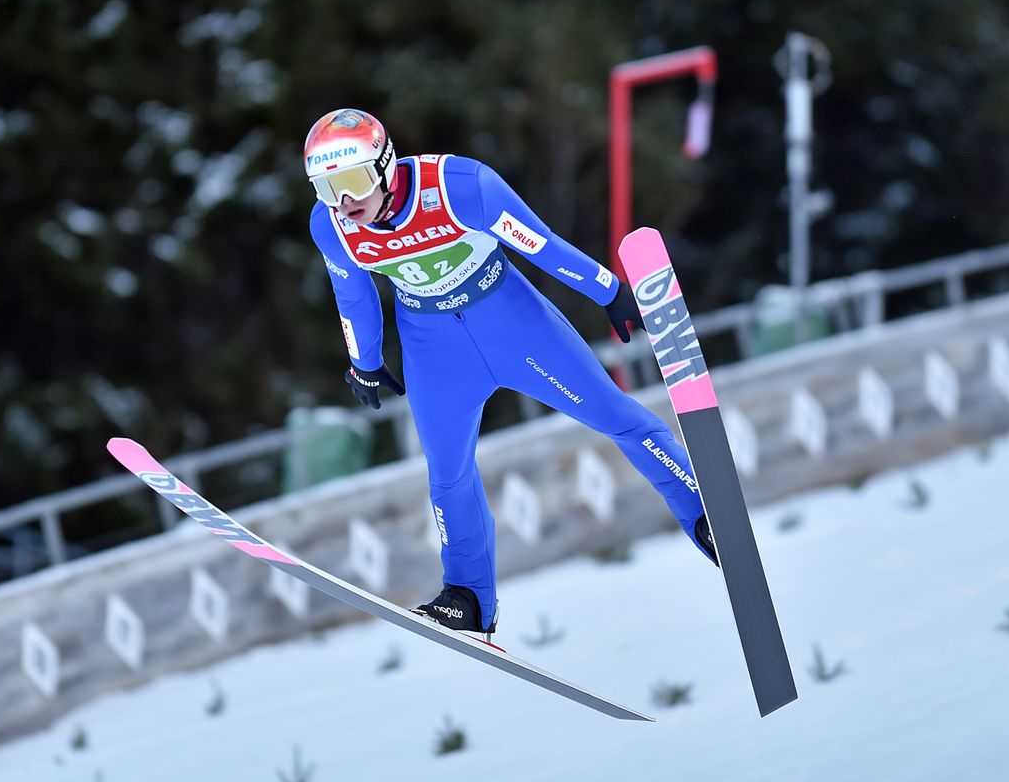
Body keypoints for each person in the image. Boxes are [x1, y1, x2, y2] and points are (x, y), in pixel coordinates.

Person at [304, 108, 715, 639]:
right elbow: (352, 293)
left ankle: (704, 513)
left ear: (384, 164)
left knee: (616, 416)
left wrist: (608, 290)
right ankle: (469, 598)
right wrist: (364, 362)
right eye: (326, 187)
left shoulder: (461, 187)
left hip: (514, 325)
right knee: (447, 472)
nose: (344, 201)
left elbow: (539, 244)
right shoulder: (332, 225)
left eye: (353, 181)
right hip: (434, 349)